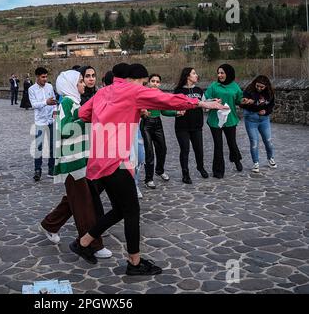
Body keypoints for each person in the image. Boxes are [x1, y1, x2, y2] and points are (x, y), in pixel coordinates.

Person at [72, 63, 228, 274]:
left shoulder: (103, 92)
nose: (146, 86)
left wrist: (113, 116)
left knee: (120, 209)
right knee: (132, 211)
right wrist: (200, 103)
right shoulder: (133, 90)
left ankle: (83, 243)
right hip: (114, 161)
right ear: (135, 79)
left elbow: (83, 113)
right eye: (145, 82)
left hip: (99, 161)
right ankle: (134, 263)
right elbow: (167, 100)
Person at [40, 70, 112, 262]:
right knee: (83, 205)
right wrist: (87, 120)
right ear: (71, 85)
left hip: (82, 158)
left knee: (76, 199)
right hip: (72, 161)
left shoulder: (74, 102)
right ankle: (92, 245)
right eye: (80, 81)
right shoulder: (66, 103)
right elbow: (64, 130)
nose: (83, 84)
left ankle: (50, 223)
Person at [204, 64, 243, 179]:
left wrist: (244, 100)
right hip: (215, 120)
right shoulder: (213, 86)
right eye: (218, 73)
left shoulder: (235, 87)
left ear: (228, 73)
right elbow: (205, 100)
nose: (219, 75)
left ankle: (236, 159)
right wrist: (212, 100)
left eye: (222, 73)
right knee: (218, 145)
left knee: (232, 142)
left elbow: (239, 100)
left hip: (230, 119)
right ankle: (218, 171)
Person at [173, 68, 209, 184]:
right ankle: (185, 174)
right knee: (185, 150)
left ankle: (200, 167)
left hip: (197, 126)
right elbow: (173, 107)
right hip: (182, 126)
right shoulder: (178, 91)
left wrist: (213, 102)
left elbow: (205, 106)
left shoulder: (199, 90)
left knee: (199, 149)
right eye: (194, 73)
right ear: (187, 76)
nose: (196, 75)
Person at [139, 74, 176, 189]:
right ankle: (148, 179)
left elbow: (164, 111)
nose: (155, 83)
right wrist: (142, 111)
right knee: (149, 152)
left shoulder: (160, 94)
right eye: (153, 81)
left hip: (158, 123)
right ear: (149, 82)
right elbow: (137, 107)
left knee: (162, 149)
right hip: (146, 124)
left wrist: (176, 113)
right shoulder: (144, 94)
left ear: (160, 83)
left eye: (157, 81)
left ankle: (159, 171)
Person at [240, 75, 277, 173]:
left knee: (268, 141)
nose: (259, 88)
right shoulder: (249, 90)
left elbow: (271, 105)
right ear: (254, 83)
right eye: (257, 86)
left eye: (262, 87)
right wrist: (247, 102)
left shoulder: (269, 92)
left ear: (266, 86)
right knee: (254, 142)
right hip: (251, 119)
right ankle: (255, 163)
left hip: (264, 120)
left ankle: (270, 158)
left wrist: (266, 111)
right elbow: (242, 104)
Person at [29, 67, 56, 181]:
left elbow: (54, 101)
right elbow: (34, 104)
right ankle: (37, 170)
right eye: (43, 77)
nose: (45, 79)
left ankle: (51, 169)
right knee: (39, 147)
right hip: (40, 121)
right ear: (37, 77)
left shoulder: (49, 87)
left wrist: (55, 113)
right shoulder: (32, 89)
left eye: (46, 77)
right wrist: (46, 102)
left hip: (50, 120)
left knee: (52, 147)